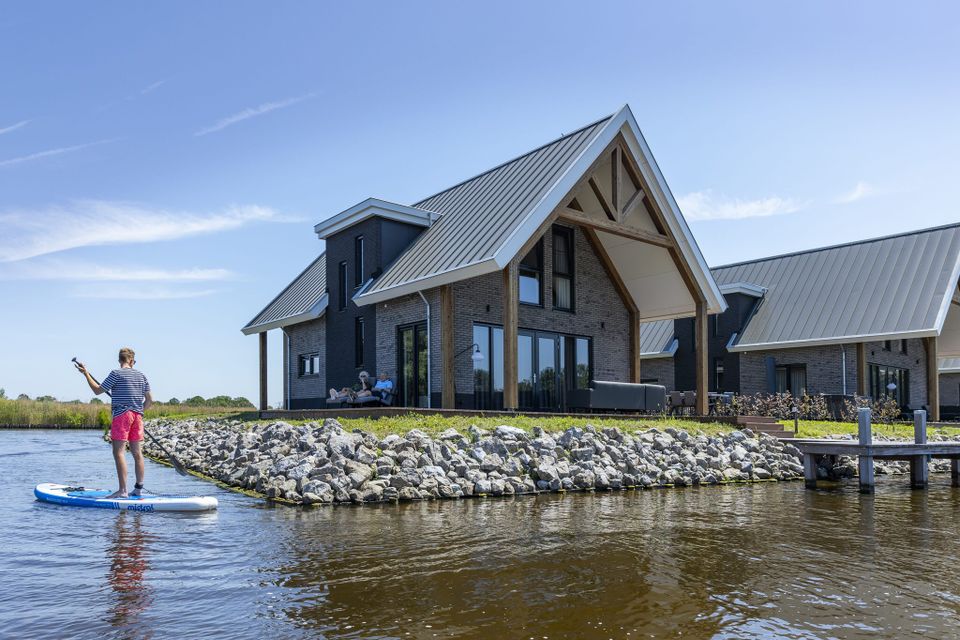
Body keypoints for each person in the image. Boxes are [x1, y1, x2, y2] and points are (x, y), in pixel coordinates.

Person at [75, 347, 153, 499]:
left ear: (120, 360)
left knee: (119, 452)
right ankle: (138, 489)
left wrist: (86, 374)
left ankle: (123, 490)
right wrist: (139, 411)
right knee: (137, 453)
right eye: (134, 361)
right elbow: (150, 400)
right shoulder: (142, 376)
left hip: (122, 415)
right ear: (131, 361)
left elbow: (97, 391)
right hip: (138, 416)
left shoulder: (116, 374)